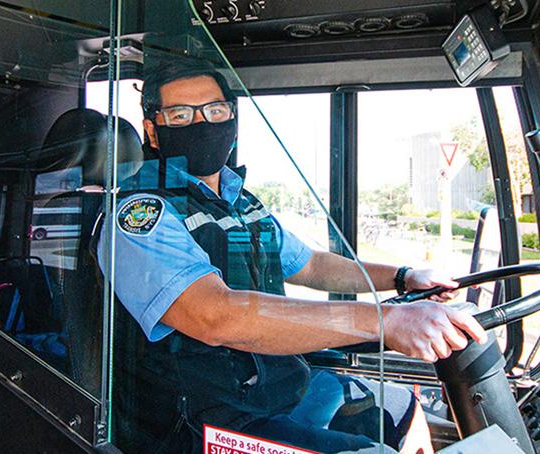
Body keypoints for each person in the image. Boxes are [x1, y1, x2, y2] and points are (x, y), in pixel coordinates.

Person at [98, 57, 488, 454]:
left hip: (276, 387)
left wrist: (403, 277)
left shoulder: (239, 202)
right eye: (181, 115)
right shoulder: (141, 215)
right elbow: (214, 315)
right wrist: (386, 320)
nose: (203, 124)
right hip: (202, 417)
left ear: (231, 120)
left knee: (402, 405)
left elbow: (313, 265)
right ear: (153, 130)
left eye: (215, 111)